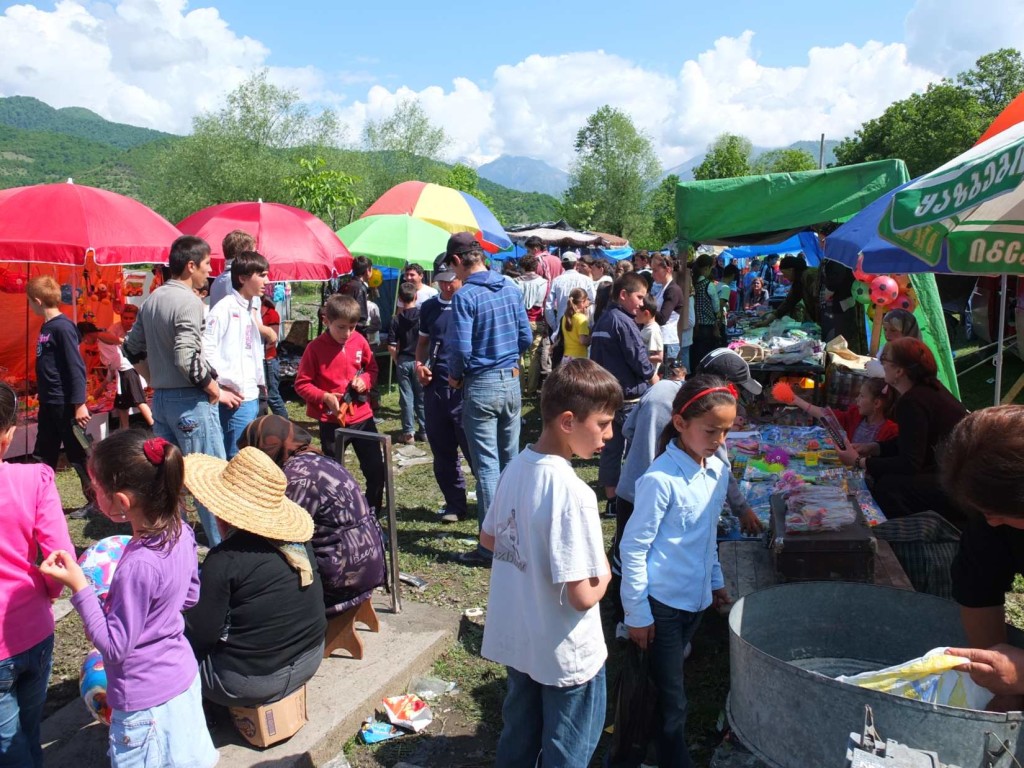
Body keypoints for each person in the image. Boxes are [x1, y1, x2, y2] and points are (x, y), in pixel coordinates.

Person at [39, 431, 218, 767]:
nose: (93, 495)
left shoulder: (136, 566)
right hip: (181, 680)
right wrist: (153, 608)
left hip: (144, 702)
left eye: (96, 490)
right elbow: (190, 595)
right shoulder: (182, 532)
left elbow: (114, 647)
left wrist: (80, 588)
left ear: (121, 502)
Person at [481, 359, 619, 768]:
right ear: (567, 421)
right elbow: (580, 596)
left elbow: (489, 537)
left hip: (522, 640)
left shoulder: (515, 467)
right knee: (567, 749)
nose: (609, 436)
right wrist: (608, 575)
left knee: (518, 737)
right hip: (567, 654)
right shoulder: (574, 493)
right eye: (603, 424)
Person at [619, 375, 736, 768]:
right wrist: (637, 613)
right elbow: (633, 548)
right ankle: (672, 758)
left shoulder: (717, 472)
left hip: (696, 601)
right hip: (662, 604)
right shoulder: (659, 480)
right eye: (710, 430)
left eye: (725, 431)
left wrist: (715, 582)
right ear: (681, 422)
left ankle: (649, 749)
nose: (718, 440)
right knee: (674, 697)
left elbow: (705, 538)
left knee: (663, 684)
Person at [609, 349, 763, 628]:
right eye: (735, 390)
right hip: (641, 493)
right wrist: (741, 508)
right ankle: (628, 619)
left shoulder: (671, 394)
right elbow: (721, 468)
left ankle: (640, 618)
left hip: (638, 485)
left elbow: (629, 429)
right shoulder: (698, 417)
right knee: (631, 553)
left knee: (636, 551)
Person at [182, 446, 325, 708]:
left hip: (249, 683)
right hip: (310, 660)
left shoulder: (225, 560)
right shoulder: (298, 543)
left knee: (172, 661)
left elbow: (200, 635)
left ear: (221, 510)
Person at [125, 235, 239, 548]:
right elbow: (186, 356)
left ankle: (175, 547)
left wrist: (154, 377)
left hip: (162, 401)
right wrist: (212, 387)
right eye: (205, 265)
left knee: (169, 483)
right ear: (190, 266)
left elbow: (132, 348)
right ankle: (224, 552)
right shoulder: (189, 302)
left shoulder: (152, 300)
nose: (209, 272)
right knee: (209, 482)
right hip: (190, 403)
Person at [444, 232, 532, 566]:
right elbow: (525, 336)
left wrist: (456, 374)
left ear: (457, 261)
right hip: (511, 382)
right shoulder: (510, 286)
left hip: (481, 386)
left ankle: (491, 547)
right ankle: (514, 533)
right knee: (510, 461)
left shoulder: (465, 297)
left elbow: (461, 349)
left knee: (487, 468)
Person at [239, 416, 386, 614]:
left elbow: (279, 534)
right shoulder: (318, 459)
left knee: (261, 569)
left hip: (342, 580)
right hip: (370, 565)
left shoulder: (295, 478)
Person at [0, 382, 75, 768]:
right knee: (27, 733)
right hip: (35, 629)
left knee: (10, 748)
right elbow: (62, 557)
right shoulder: (34, 480)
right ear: (9, 435)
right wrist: (47, 592)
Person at [941, 406, 1024, 711]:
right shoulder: (991, 521)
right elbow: (977, 588)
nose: (991, 522)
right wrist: (1000, 683)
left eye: (1001, 514)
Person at [837, 337, 967, 524]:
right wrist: (876, 447)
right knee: (885, 476)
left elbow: (910, 463)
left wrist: (860, 462)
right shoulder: (928, 391)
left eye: (885, 362)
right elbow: (912, 441)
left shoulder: (912, 402)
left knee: (888, 486)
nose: (882, 366)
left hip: (954, 483)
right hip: (955, 472)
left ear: (899, 371)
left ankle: (896, 540)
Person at [294, 294, 385, 514]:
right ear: (326, 321)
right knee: (334, 474)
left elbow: (372, 369)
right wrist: (324, 397)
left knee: (376, 470)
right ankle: (339, 514)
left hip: (362, 417)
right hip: (333, 421)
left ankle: (372, 513)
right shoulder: (314, 348)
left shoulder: (359, 341)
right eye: (341, 327)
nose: (347, 334)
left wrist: (364, 381)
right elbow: (301, 384)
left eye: (352, 327)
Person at [589, 273, 659, 516]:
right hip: (628, 398)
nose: (642, 303)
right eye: (639, 297)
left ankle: (612, 501)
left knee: (610, 449)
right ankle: (632, 498)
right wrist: (653, 377)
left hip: (606, 398)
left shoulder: (603, 320)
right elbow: (638, 357)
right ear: (623, 295)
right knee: (637, 450)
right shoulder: (624, 322)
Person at [26, 275, 94, 517]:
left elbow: (76, 367)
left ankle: (95, 501)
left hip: (65, 404)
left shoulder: (63, 327)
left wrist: (80, 404)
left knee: (78, 452)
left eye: (30, 302)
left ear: (36, 300)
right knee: (43, 452)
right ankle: (38, 501)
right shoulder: (48, 327)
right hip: (49, 402)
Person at [415, 268, 474, 524]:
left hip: (466, 388)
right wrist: (419, 366)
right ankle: (455, 503)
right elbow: (422, 344)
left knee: (474, 450)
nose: (447, 287)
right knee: (442, 450)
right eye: (442, 282)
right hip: (436, 387)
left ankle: (492, 501)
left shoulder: (472, 303)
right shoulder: (428, 308)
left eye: (452, 281)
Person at [203, 250, 270, 458]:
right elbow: (207, 349)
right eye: (261, 275)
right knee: (235, 458)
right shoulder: (224, 309)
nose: (266, 281)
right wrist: (220, 386)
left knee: (245, 456)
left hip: (251, 396)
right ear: (242, 278)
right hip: (235, 399)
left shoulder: (249, 310)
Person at [789, 377, 898, 445]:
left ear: (876, 403)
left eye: (862, 396)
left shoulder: (891, 431)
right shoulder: (855, 416)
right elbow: (827, 415)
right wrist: (796, 400)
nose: (857, 399)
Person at [96, 303, 155, 430]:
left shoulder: (140, 329)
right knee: (122, 404)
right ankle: (125, 429)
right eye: (125, 318)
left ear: (136, 319)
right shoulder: (115, 329)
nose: (128, 321)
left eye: (131, 318)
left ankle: (155, 427)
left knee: (139, 401)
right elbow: (103, 337)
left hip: (133, 368)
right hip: (123, 368)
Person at [389, 282, 426, 444]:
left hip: (404, 359)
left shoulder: (396, 320)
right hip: (421, 360)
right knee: (422, 396)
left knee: (406, 397)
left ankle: (408, 432)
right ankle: (425, 430)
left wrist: (397, 360)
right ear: (416, 296)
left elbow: (391, 345)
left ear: (399, 300)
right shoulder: (423, 316)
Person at [515, 253, 549, 396]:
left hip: (520, 321)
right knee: (535, 354)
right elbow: (546, 305)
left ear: (522, 267)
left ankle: (520, 387)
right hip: (537, 320)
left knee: (519, 355)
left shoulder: (515, 282)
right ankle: (533, 388)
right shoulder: (544, 282)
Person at [544, 251, 596, 339]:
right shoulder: (586, 280)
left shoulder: (556, 281)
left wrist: (555, 326)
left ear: (562, 265)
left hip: (562, 325)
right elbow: (593, 301)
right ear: (576, 264)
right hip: (582, 323)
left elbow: (549, 306)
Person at [758, 255, 819, 325]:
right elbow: (788, 303)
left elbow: (820, 301)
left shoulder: (810, 275)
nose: (784, 277)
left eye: (784, 273)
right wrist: (766, 322)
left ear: (791, 270)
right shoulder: (798, 280)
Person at [688, 255, 723, 380]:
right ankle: (705, 378)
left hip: (695, 326)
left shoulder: (693, 283)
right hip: (707, 326)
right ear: (707, 268)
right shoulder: (709, 285)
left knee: (696, 353)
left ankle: (696, 377)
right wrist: (718, 316)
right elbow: (716, 306)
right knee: (706, 354)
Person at [650, 254, 684, 364]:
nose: (652, 274)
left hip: (667, 342)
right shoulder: (663, 288)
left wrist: (647, 306)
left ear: (667, 270)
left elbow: (663, 318)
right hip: (660, 341)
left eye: (655, 270)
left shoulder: (673, 290)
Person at [209, 229, 255, 309]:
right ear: (246, 253)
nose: (257, 257)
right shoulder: (243, 281)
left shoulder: (217, 281)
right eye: (254, 253)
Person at [260, 296, 288, 417]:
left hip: (268, 360)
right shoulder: (250, 312)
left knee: (272, 396)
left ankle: (285, 425)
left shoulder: (271, 314)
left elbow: (272, 340)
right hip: (259, 360)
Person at [339, 256, 373, 336]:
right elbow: (361, 318)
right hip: (353, 332)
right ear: (368, 270)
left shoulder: (346, 285)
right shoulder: (360, 288)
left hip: (340, 328)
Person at [560, 287, 592, 362]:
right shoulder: (582, 319)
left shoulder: (565, 317)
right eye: (587, 299)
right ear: (582, 302)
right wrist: (592, 337)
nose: (588, 302)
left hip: (566, 356)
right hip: (579, 357)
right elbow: (582, 341)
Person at [636, 295, 664, 369]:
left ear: (646, 313)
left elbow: (659, 357)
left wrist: (639, 359)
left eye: (637, 311)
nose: (635, 313)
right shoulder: (646, 327)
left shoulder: (653, 331)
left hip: (649, 374)